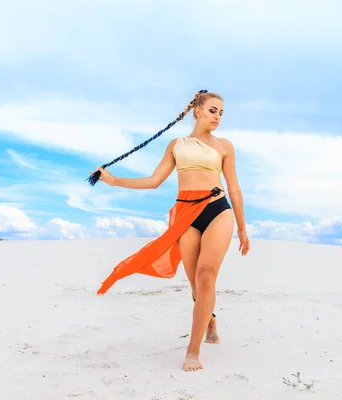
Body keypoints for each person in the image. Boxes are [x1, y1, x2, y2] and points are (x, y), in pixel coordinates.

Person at [90, 90, 250, 372]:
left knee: (206, 275)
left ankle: (193, 351)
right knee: (194, 282)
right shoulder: (177, 144)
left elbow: (234, 188)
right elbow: (154, 181)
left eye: (222, 113)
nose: (218, 117)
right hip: (186, 215)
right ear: (197, 111)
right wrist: (115, 182)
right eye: (213, 111)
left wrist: (242, 228)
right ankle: (209, 318)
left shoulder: (225, 146)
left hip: (217, 209)